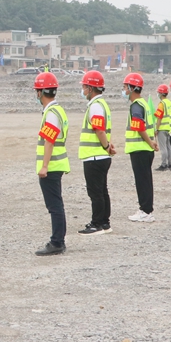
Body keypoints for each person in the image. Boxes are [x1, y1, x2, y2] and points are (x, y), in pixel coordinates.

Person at [33, 71, 69, 256]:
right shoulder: (57, 110)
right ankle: (58, 241)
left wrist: (44, 166)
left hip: (52, 167)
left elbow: (49, 141)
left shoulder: (51, 113)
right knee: (57, 205)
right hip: (56, 165)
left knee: (54, 206)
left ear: (41, 92)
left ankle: (57, 242)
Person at [77, 70, 114, 235]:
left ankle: (97, 223)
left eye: (85, 87)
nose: (83, 90)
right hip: (100, 155)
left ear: (91, 88)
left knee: (96, 192)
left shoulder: (96, 106)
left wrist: (106, 146)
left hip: (95, 156)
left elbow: (99, 130)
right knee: (102, 190)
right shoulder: (101, 105)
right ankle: (104, 222)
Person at [124, 73, 158, 223]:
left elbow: (139, 127)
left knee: (142, 181)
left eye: (125, 87)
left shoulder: (136, 106)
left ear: (132, 88)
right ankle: (146, 209)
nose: (124, 90)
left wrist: (150, 143)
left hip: (140, 149)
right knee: (145, 180)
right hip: (145, 149)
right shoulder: (143, 103)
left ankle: (145, 210)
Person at [153, 84, 171, 171]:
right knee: (169, 147)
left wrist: (156, 129)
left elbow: (159, 117)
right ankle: (170, 164)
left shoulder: (162, 104)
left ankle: (163, 165)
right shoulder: (170, 102)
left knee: (163, 147)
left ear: (161, 93)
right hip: (170, 128)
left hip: (162, 128)